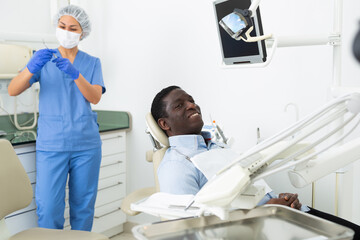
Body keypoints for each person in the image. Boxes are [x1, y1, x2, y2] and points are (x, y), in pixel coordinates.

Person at [151, 85, 360, 238]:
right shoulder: (176, 166)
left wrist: (281, 200)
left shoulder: (217, 146)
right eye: (180, 105)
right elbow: (190, 230)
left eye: (191, 99)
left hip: (285, 215)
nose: (191, 105)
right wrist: (265, 212)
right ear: (164, 123)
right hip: (259, 230)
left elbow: (250, 188)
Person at [8, 5, 105, 231]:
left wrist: (75, 74)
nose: (66, 31)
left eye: (73, 28)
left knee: (83, 208)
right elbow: (13, 90)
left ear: (82, 32)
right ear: (56, 27)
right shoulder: (43, 60)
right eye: (62, 26)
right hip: (52, 145)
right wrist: (31, 68)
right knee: (49, 209)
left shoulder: (92, 62)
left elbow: (95, 96)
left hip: (86, 145)